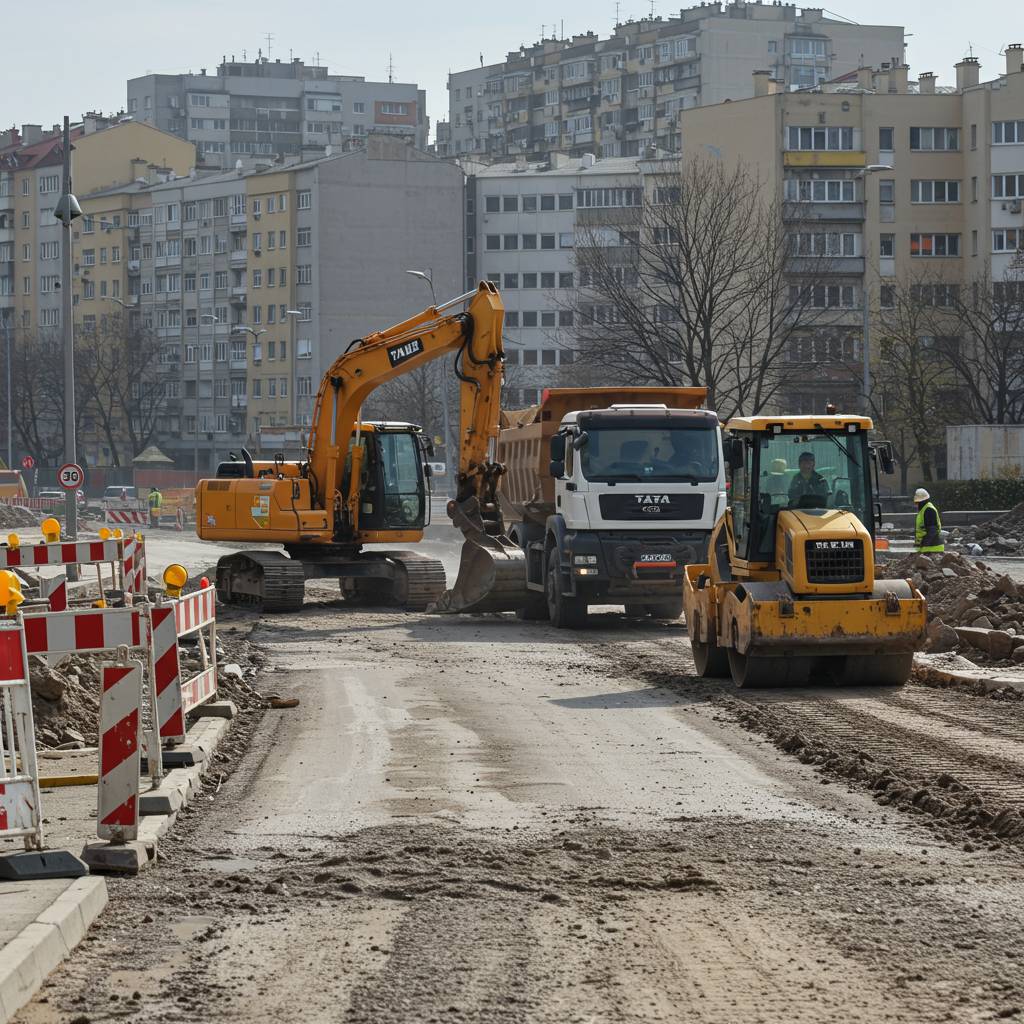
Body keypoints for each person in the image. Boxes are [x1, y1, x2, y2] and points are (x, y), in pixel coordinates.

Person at [914, 487, 944, 553]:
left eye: (916, 502)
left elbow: (932, 531)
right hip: (928, 548)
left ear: (921, 501)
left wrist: (924, 544)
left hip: (932, 548)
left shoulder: (928, 510)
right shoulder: (924, 510)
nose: (916, 505)